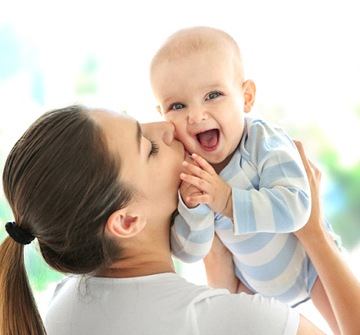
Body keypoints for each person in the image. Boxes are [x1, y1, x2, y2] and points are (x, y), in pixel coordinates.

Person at [0, 104, 334, 335]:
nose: (168, 129)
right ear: (127, 221)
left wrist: (212, 240)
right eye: (149, 147)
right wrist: (314, 233)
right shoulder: (238, 322)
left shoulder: (64, 305)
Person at [149, 26, 340, 333]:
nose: (196, 115)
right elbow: (190, 252)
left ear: (246, 97)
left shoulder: (263, 141)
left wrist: (225, 200)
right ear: (162, 115)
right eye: (178, 105)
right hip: (251, 286)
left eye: (213, 95)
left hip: (310, 267)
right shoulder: (190, 172)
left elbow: (297, 207)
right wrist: (192, 206)